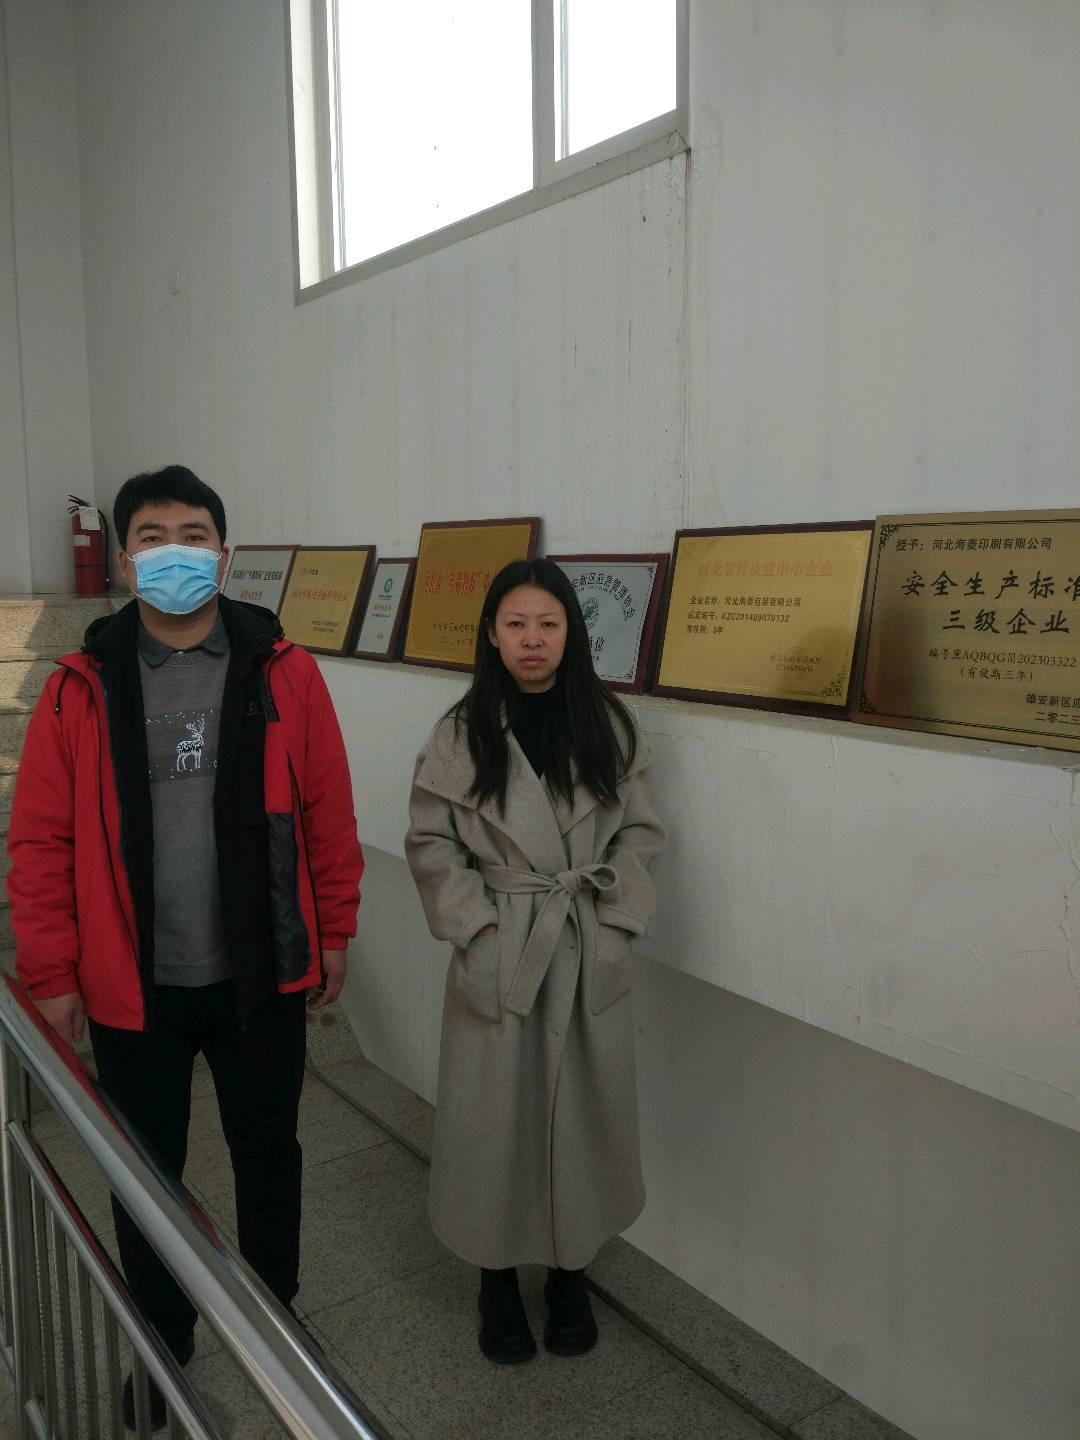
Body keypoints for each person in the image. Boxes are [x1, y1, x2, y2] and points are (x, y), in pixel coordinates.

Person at [7, 465, 363, 1429]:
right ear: (126, 560)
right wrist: (50, 973)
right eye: (153, 537)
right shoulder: (80, 685)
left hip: (259, 973)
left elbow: (327, 811)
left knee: (269, 1151)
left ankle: (277, 1323)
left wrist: (335, 928)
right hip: (135, 987)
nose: (175, 552)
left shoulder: (283, 670)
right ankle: (162, 1341)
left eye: (194, 535)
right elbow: (40, 840)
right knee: (145, 1175)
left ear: (225, 553)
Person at [405, 559, 666, 1364]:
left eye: (548, 624)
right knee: (493, 1125)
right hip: (504, 951)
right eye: (515, 623)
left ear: (570, 634)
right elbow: (431, 844)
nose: (532, 639)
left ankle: (569, 1272)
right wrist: (478, 930)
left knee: (582, 1122)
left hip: (584, 948)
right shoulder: (461, 733)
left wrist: (617, 921)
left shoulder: (609, 727)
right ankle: (494, 1278)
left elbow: (641, 835)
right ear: (491, 633)